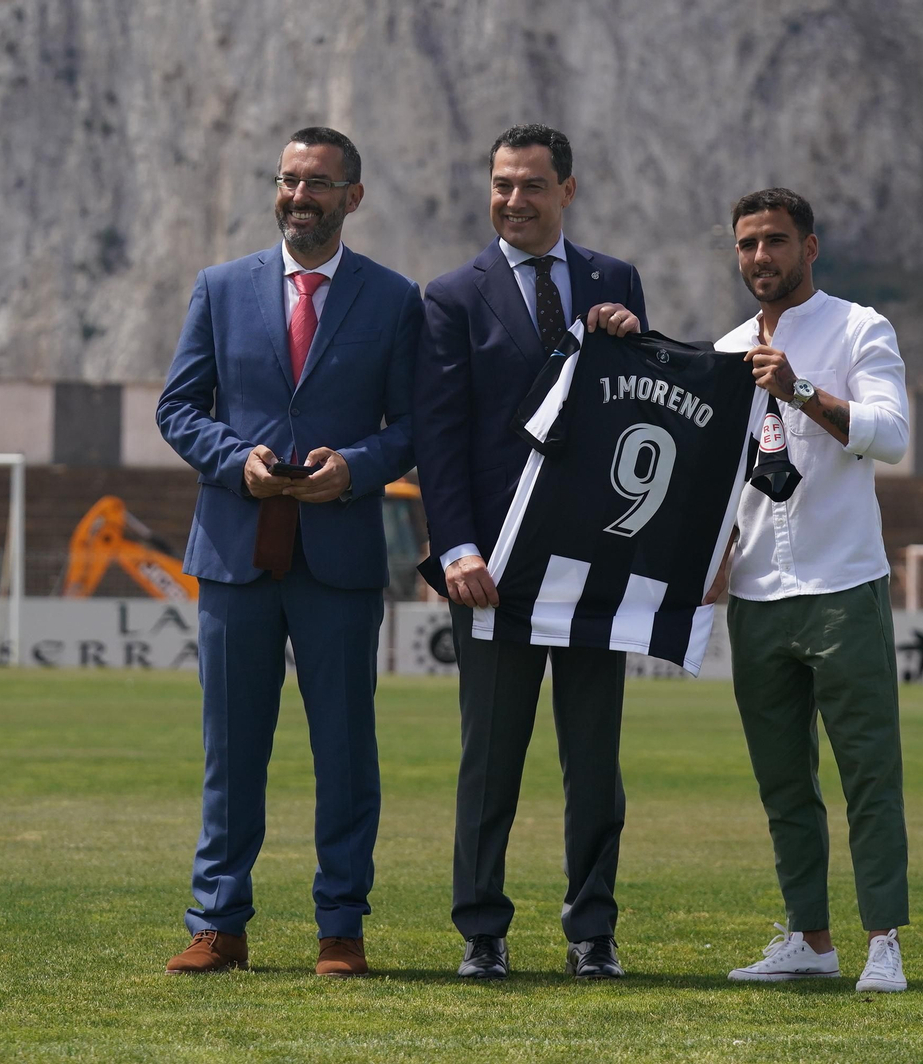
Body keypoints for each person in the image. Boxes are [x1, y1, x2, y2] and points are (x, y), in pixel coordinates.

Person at [156, 126, 421, 978]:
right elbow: (178, 407)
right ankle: (217, 925)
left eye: (318, 184)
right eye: (288, 180)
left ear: (353, 197)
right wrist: (238, 460)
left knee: (345, 750)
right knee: (230, 750)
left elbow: (414, 427)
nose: (299, 196)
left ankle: (340, 927)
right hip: (237, 551)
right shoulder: (218, 288)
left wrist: (356, 468)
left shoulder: (393, 298)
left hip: (339, 555)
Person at [413, 123, 646, 980]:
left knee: (594, 765)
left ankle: (593, 932)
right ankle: (482, 932)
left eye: (532, 185)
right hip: (492, 574)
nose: (514, 200)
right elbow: (438, 441)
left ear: (567, 191)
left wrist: (629, 335)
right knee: (490, 764)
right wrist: (458, 548)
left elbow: (636, 408)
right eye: (502, 184)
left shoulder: (615, 280)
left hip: (593, 568)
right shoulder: (449, 297)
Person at [707, 187, 912, 992]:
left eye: (776, 241)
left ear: (810, 247)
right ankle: (810, 940)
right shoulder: (724, 351)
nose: (761, 257)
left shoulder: (860, 327)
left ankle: (883, 943)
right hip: (758, 591)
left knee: (868, 772)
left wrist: (797, 388)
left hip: (842, 581)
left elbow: (891, 437)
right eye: (748, 244)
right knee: (783, 779)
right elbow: (720, 483)